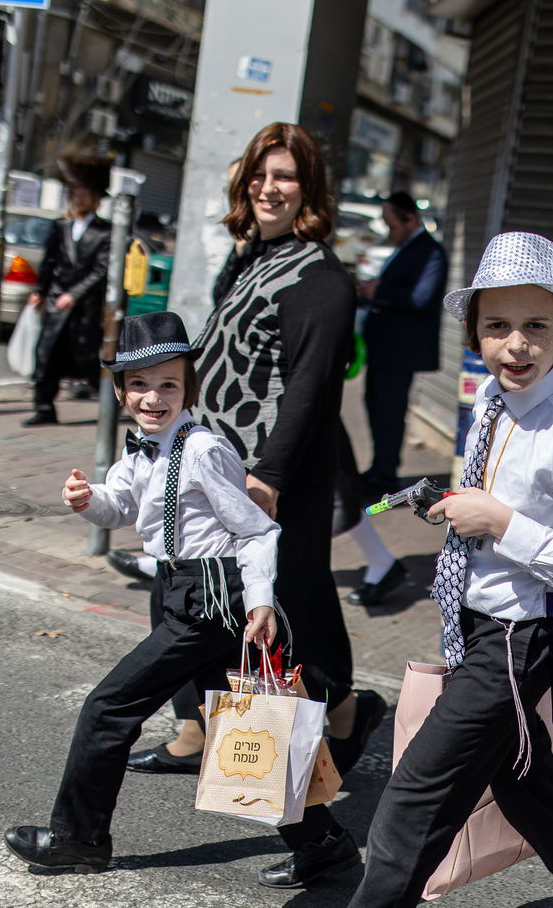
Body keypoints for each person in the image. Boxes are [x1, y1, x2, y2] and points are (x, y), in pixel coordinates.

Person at [346, 232, 553, 908]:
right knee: (525, 781)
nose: (516, 343)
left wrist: (501, 523)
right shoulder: (491, 400)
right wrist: (456, 507)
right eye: (497, 325)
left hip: (518, 637)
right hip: (478, 624)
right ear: (475, 331)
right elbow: (490, 501)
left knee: (412, 802)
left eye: (535, 325)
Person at [3, 311, 280, 873]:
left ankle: (78, 838)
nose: (153, 398)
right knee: (243, 722)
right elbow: (120, 505)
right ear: (121, 390)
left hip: (211, 596)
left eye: (168, 385)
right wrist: (87, 501)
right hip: (182, 588)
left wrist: (260, 600)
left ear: (188, 387)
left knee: (108, 708)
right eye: (139, 385)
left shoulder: (202, 450)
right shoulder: (144, 450)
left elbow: (257, 529)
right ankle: (321, 845)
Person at [184, 121, 384, 889]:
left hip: (273, 485)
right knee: (275, 622)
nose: (270, 188)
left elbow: (309, 393)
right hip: (227, 474)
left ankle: (310, 820)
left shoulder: (320, 279)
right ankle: (340, 716)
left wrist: (264, 477)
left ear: (310, 191)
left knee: (267, 641)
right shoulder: (250, 260)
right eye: (260, 176)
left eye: (286, 177)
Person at [356, 192, 447, 495]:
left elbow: (421, 298)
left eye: (391, 224)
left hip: (400, 351)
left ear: (410, 219)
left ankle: (384, 476)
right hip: (384, 349)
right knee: (376, 406)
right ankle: (380, 468)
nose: (388, 231)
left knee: (389, 413)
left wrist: (379, 290)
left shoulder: (430, 252)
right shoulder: (407, 247)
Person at [23, 153, 113, 426]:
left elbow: (101, 270)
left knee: (87, 358)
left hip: (84, 308)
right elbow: (49, 261)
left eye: (85, 194)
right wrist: (40, 290)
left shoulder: (106, 231)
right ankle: (44, 408)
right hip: (55, 303)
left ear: (96, 198)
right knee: (46, 356)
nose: (80, 199)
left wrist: (73, 295)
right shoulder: (59, 226)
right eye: (76, 194)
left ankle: (111, 401)